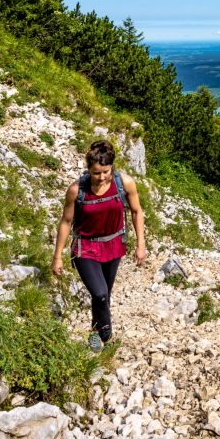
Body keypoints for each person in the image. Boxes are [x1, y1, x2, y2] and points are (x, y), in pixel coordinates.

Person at [52, 139, 147, 351]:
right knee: (100, 293)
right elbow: (66, 221)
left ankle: (94, 331)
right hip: (85, 248)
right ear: (88, 169)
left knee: (104, 294)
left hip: (113, 245)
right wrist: (57, 256)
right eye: (96, 173)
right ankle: (107, 336)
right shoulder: (77, 191)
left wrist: (141, 244)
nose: (102, 177)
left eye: (106, 171)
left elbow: (136, 211)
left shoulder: (125, 183)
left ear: (111, 167)